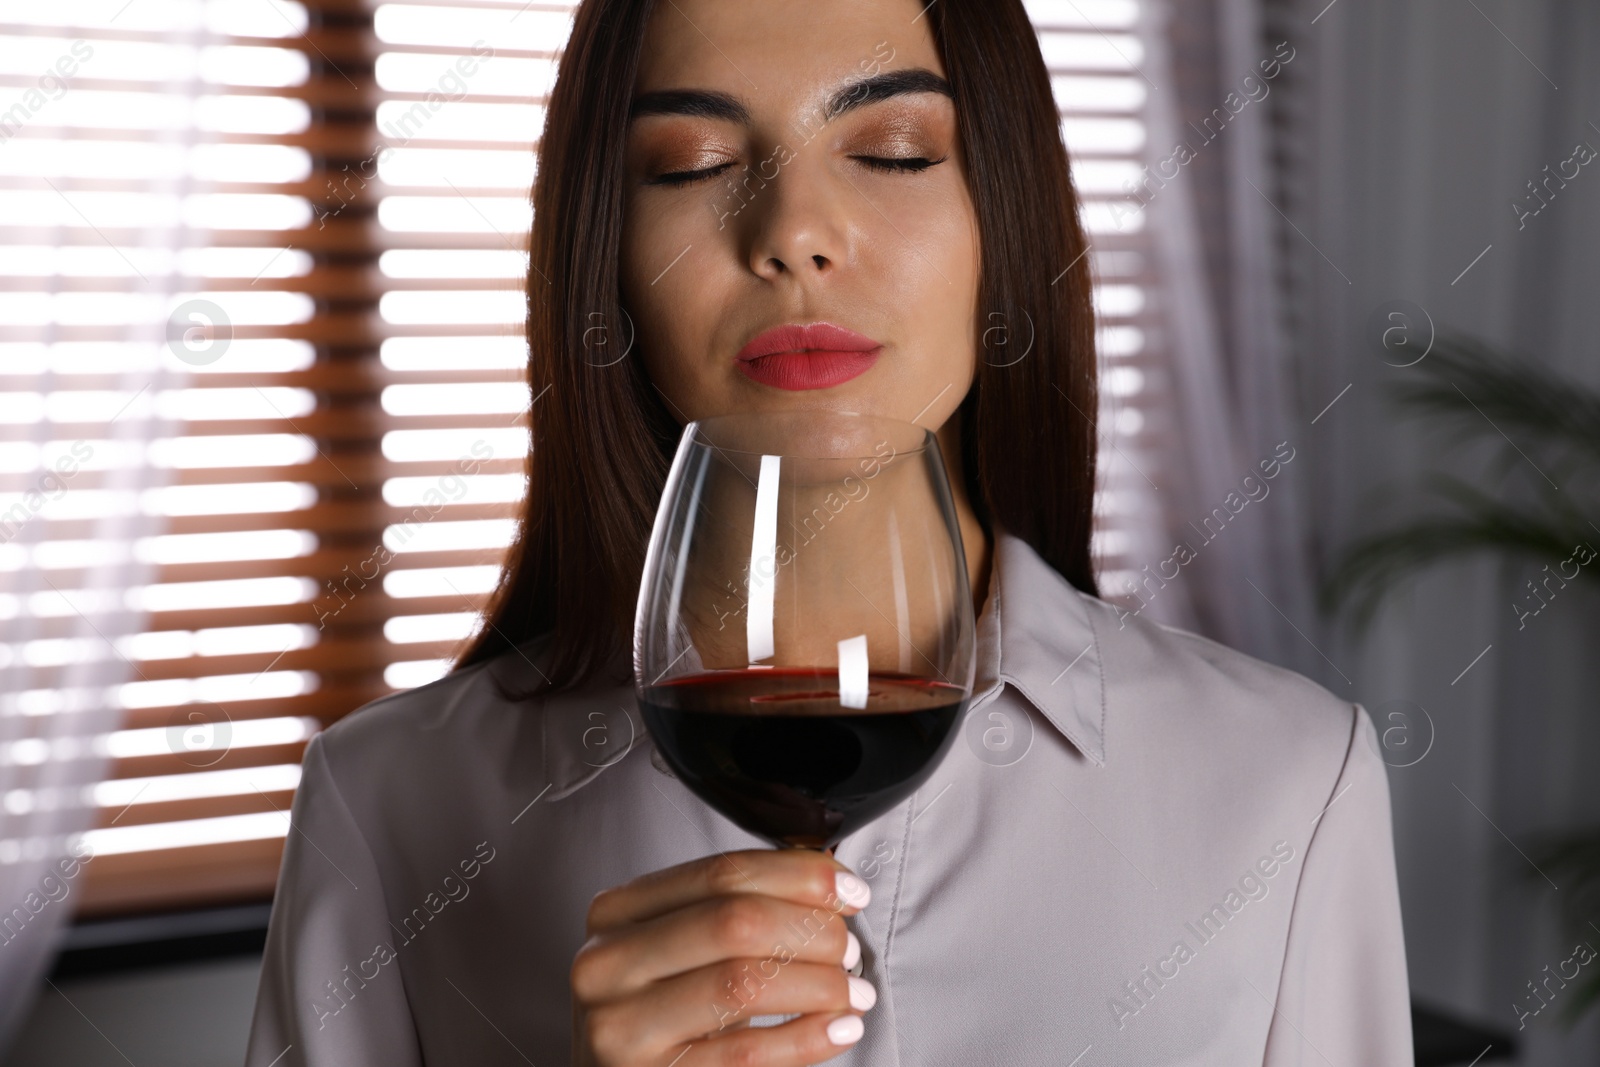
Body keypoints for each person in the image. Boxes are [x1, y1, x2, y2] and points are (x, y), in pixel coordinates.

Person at [244, 0, 1413, 1063]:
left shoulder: (1289, 783)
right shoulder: (384, 807)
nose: (793, 233)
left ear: (1002, 216)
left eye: (893, 151)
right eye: (690, 164)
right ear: (604, 264)